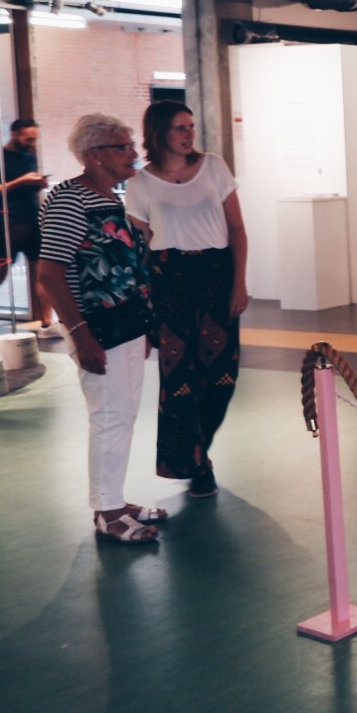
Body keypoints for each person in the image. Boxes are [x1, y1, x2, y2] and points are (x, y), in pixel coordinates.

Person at [36, 114, 162, 545]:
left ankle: (115, 500)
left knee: (123, 414)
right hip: (98, 327)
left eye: (131, 145)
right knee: (109, 416)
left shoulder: (108, 196)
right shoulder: (70, 200)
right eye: (122, 146)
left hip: (125, 323)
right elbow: (50, 274)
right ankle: (108, 513)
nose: (134, 153)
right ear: (94, 155)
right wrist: (81, 333)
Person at [124, 102, 248, 499]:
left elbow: (237, 230)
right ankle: (198, 465)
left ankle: (198, 449)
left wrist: (239, 283)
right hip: (169, 281)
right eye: (180, 127)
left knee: (222, 377)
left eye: (191, 126)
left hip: (216, 275)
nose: (188, 133)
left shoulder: (213, 167)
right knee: (179, 378)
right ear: (159, 132)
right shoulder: (140, 184)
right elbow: (143, 249)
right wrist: (146, 306)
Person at [0, 118, 51, 327]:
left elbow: (26, 189)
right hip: (7, 223)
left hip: (33, 221)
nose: (31, 143)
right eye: (28, 139)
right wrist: (22, 181)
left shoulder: (29, 156)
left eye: (34, 139)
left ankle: (47, 322)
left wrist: (38, 184)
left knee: (42, 274)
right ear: (15, 134)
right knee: (0, 273)